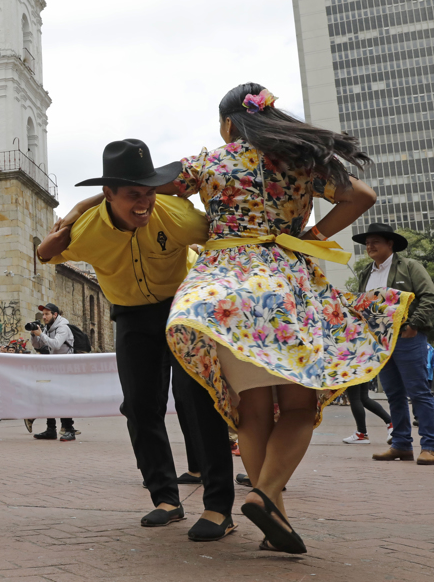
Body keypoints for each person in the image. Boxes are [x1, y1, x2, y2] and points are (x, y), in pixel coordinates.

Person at [162, 84, 412, 554]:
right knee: (297, 407)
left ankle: (274, 515)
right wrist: (310, 232)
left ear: (229, 124)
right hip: (284, 288)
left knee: (253, 414)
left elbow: (153, 187)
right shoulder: (302, 161)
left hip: (223, 294)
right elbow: (362, 195)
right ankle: (265, 495)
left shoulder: (210, 161)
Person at [38, 139, 235, 542]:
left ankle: (218, 508)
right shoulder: (87, 229)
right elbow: (45, 253)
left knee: (198, 402)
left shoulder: (175, 214)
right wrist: (74, 214)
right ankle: (165, 499)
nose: (144, 204)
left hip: (183, 310)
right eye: (132, 195)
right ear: (108, 195)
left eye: (149, 192)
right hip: (131, 317)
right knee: (140, 408)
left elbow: (226, 238)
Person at [353, 222, 434, 465]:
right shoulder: (365, 273)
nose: (369, 246)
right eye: (367, 243)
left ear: (389, 244)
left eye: (375, 242)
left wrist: (414, 325)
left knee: (419, 393)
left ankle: (430, 446)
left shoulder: (410, 266)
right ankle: (401, 444)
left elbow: (431, 297)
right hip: (380, 342)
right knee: (393, 394)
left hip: (407, 338)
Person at [27, 303, 77, 442]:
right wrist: (34, 335)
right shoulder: (47, 329)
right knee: (49, 396)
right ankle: (51, 429)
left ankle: (69, 429)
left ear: (55, 314)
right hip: (53, 367)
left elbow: (55, 344)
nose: (44, 317)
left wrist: (41, 334)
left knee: (64, 398)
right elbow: (38, 346)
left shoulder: (63, 327)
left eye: (47, 314)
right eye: (43, 314)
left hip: (65, 367)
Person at [340, 378, 392, 445]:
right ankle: (390, 423)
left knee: (354, 398)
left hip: (352, 369)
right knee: (364, 398)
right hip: (364, 368)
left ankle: (362, 434)